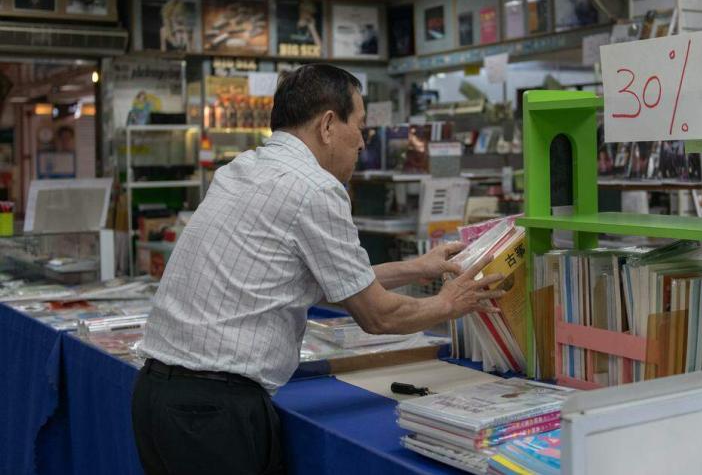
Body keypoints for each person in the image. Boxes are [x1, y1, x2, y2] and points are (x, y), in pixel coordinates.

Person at [131, 64, 505, 475]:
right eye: (359, 126)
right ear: (328, 125)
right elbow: (378, 316)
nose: (362, 142)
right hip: (213, 411)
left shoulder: (243, 168)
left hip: (156, 396)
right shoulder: (315, 187)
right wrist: (450, 303)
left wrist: (417, 268)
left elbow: (331, 282)